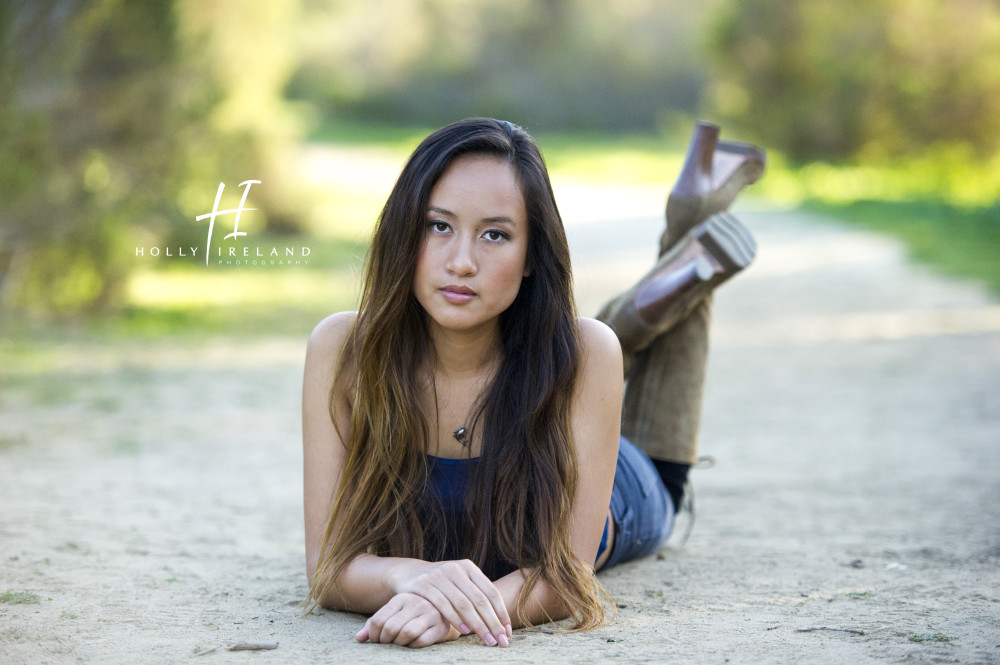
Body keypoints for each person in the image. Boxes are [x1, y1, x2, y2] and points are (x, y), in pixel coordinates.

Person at [301, 118, 765, 648]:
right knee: (588, 346)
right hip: (563, 366)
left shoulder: (584, 358)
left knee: (656, 453)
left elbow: (567, 573)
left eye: (495, 235)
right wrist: (411, 577)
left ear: (530, 258)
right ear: (404, 231)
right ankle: (657, 279)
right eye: (438, 226)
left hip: (614, 487)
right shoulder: (343, 350)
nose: (461, 262)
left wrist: (456, 613)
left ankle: (683, 237)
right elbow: (328, 565)